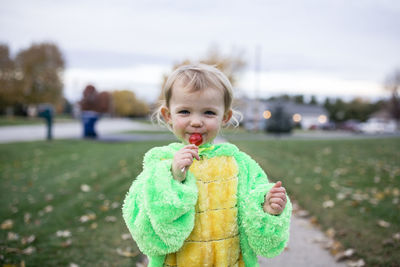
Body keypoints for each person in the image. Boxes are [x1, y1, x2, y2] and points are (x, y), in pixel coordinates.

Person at [122, 64, 292, 267]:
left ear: (225, 117)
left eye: (208, 113)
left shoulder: (240, 165)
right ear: (168, 116)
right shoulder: (160, 163)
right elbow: (141, 214)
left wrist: (266, 208)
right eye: (184, 111)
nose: (196, 122)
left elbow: (254, 206)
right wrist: (172, 177)